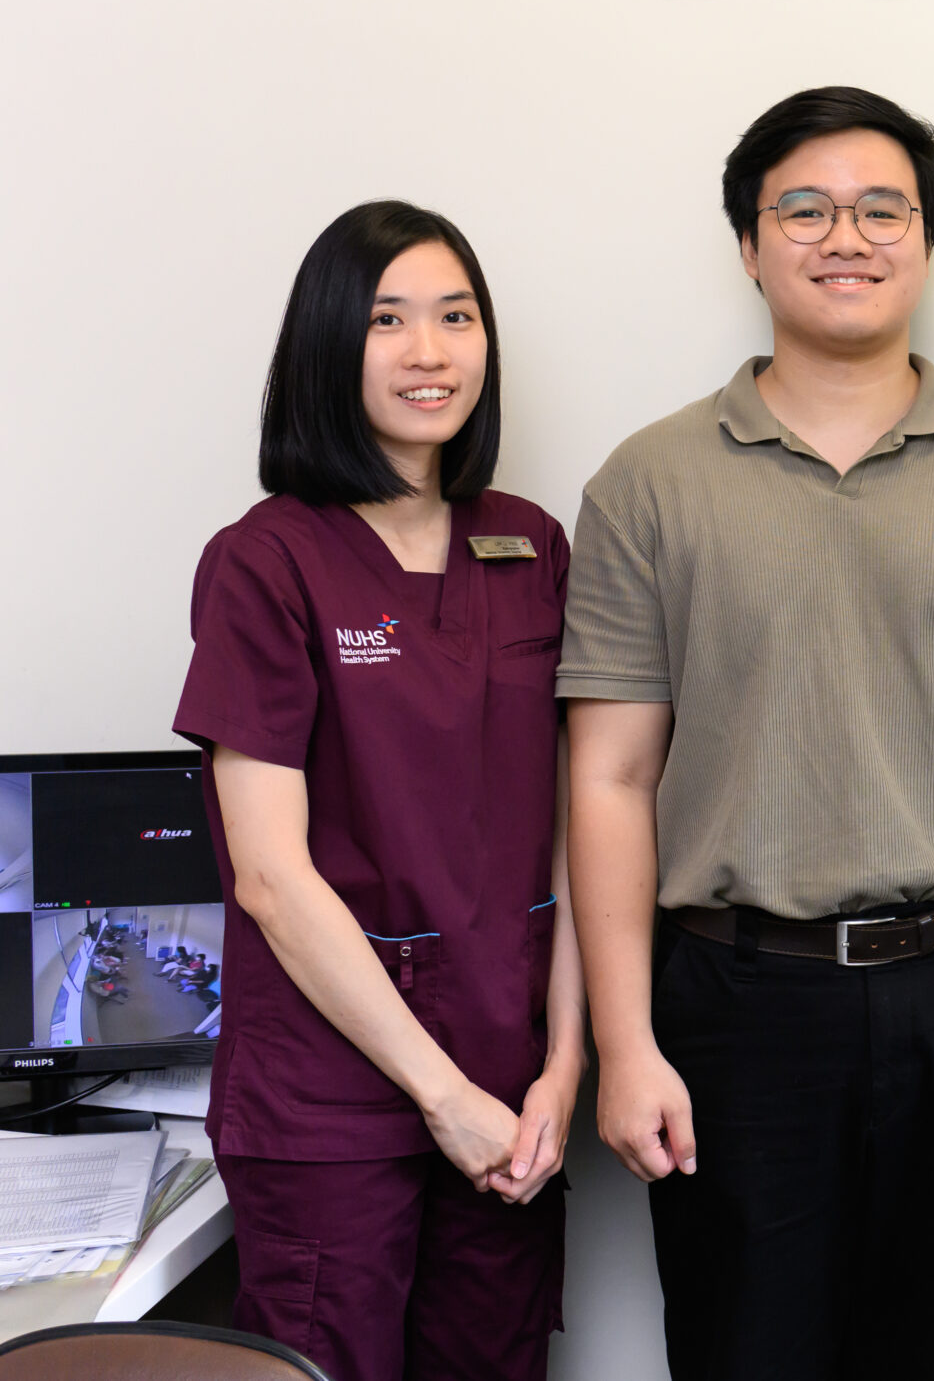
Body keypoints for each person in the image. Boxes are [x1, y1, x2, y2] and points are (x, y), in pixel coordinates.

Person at [561, 86, 934, 1381]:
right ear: (749, 246)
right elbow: (608, 774)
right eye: (803, 208)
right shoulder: (650, 481)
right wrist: (626, 1040)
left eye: (882, 209)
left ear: (927, 239)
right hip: (733, 1000)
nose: (845, 235)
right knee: (743, 1350)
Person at [173, 201, 583, 1381]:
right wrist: (441, 1093)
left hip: (513, 1081)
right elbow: (269, 872)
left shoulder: (529, 545)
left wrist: (562, 1067)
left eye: (456, 317)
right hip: (332, 1096)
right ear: (326, 348)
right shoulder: (268, 560)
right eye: (388, 319)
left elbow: (572, 830)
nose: (430, 351)